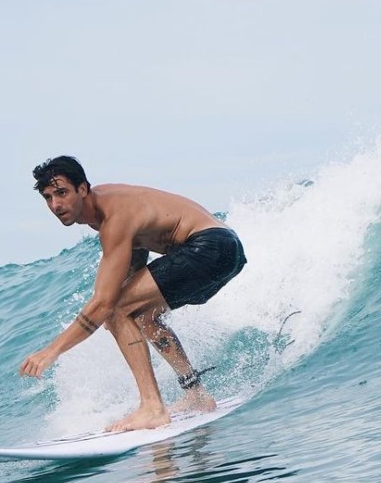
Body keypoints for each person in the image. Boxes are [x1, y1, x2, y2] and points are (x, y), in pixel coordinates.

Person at [19, 156, 247, 432]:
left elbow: (104, 303)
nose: (55, 205)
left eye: (62, 193)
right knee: (139, 315)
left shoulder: (115, 218)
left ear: (83, 189)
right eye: (48, 198)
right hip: (226, 249)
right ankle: (196, 394)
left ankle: (152, 408)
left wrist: (51, 351)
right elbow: (137, 258)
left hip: (209, 247)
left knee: (115, 311)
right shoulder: (106, 211)